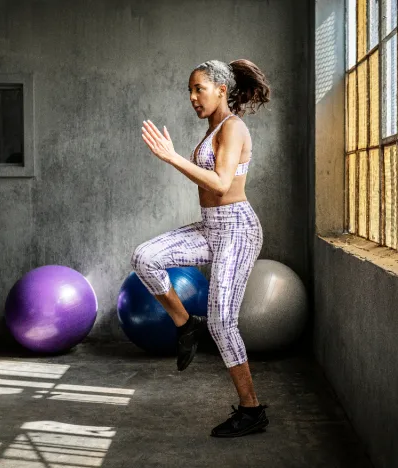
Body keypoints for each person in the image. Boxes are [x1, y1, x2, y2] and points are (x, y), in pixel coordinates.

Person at [133, 59, 271, 438]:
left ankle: (252, 410)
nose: (193, 98)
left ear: (222, 89)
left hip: (237, 230)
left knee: (223, 322)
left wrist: (172, 157)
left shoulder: (234, 127)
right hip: (210, 227)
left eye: (200, 89)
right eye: (190, 91)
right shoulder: (214, 128)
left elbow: (223, 184)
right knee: (145, 258)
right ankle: (184, 324)